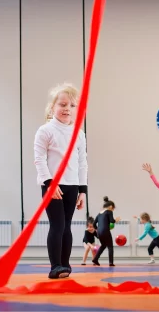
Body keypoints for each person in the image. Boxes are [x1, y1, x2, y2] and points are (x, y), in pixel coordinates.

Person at [34, 82, 88, 279]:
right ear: (52, 107)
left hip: (72, 185)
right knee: (57, 225)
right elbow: (39, 159)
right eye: (63, 105)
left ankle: (65, 265)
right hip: (52, 186)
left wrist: (82, 190)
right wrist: (49, 183)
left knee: (67, 225)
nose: (67, 109)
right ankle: (55, 265)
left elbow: (82, 162)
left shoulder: (78, 134)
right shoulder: (45, 131)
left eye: (72, 106)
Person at [92, 196, 120, 266]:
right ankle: (111, 262)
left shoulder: (99, 213)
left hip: (99, 232)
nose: (113, 210)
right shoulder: (109, 211)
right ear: (110, 206)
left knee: (103, 245)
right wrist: (116, 220)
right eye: (113, 208)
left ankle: (95, 259)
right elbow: (111, 221)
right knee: (110, 246)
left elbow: (94, 224)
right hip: (105, 231)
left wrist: (97, 229)